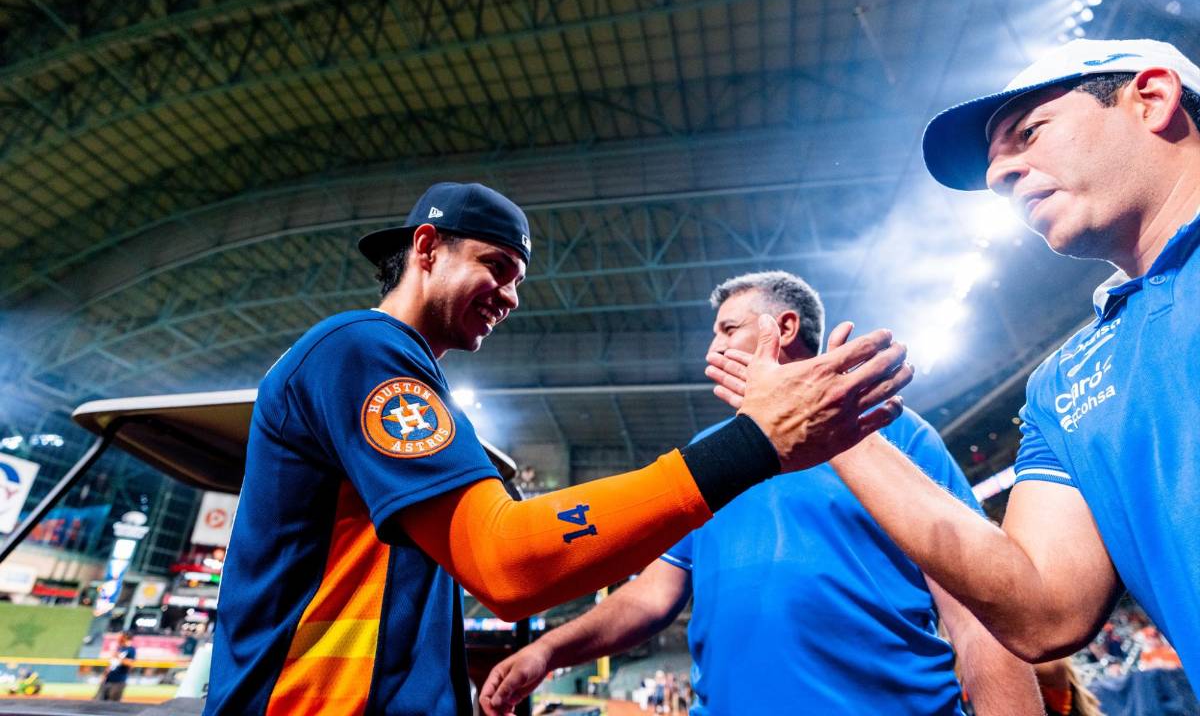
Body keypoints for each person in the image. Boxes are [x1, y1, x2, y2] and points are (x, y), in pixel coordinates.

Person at [204, 182, 914, 715]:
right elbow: (508, 562)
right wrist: (752, 442)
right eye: (495, 265)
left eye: (519, 279)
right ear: (425, 247)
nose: (510, 295)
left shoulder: (396, 377)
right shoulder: (360, 347)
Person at [705, 39, 1200, 683]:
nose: (998, 176)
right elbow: (1044, 610)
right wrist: (824, 426)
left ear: (1152, 98)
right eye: (996, 164)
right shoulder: (1065, 382)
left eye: (1028, 132)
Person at [481, 272, 1040, 716]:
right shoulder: (711, 453)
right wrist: (549, 649)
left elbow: (977, 610)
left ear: (785, 328)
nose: (712, 346)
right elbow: (650, 597)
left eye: (728, 329)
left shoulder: (891, 429)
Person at [95, 632, 135, 701]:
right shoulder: (120, 648)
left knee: (112, 704)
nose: (118, 638)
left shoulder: (131, 650)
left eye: (120, 636)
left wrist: (118, 657)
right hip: (108, 679)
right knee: (98, 700)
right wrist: (104, 674)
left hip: (118, 681)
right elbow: (111, 664)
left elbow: (130, 664)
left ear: (125, 637)